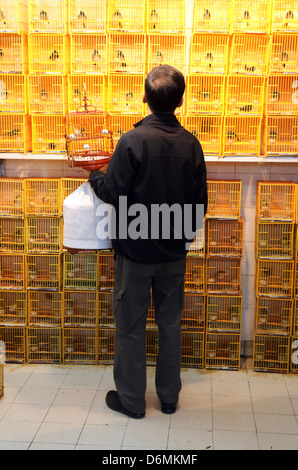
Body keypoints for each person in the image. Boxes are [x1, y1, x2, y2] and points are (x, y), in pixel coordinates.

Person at [88, 65, 207, 419]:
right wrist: (179, 238)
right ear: (180, 101)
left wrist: (94, 176)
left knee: (130, 325)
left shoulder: (131, 141)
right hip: (172, 253)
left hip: (135, 254)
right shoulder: (191, 144)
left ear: (145, 98)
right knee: (170, 324)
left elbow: (113, 192)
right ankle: (169, 398)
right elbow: (200, 203)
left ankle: (132, 401)